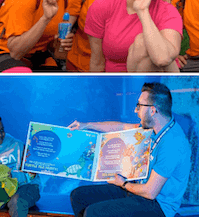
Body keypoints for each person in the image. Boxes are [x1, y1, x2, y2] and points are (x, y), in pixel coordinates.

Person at [69, 82, 191, 217]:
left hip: (157, 205)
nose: (135, 110)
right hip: (136, 191)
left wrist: (123, 183)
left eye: (139, 106)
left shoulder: (172, 144)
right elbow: (121, 127)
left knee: (93, 213)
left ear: (153, 110)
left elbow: (150, 192)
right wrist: (86, 125)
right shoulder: (153, 127)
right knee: (79, 196)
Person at [83, 0, 181, 72]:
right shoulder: (104, 2)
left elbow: (163, 59)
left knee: (143, 42)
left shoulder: (168, 11)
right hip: (116, 81)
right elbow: (97, 60)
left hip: (159, 82)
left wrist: (143, 11)